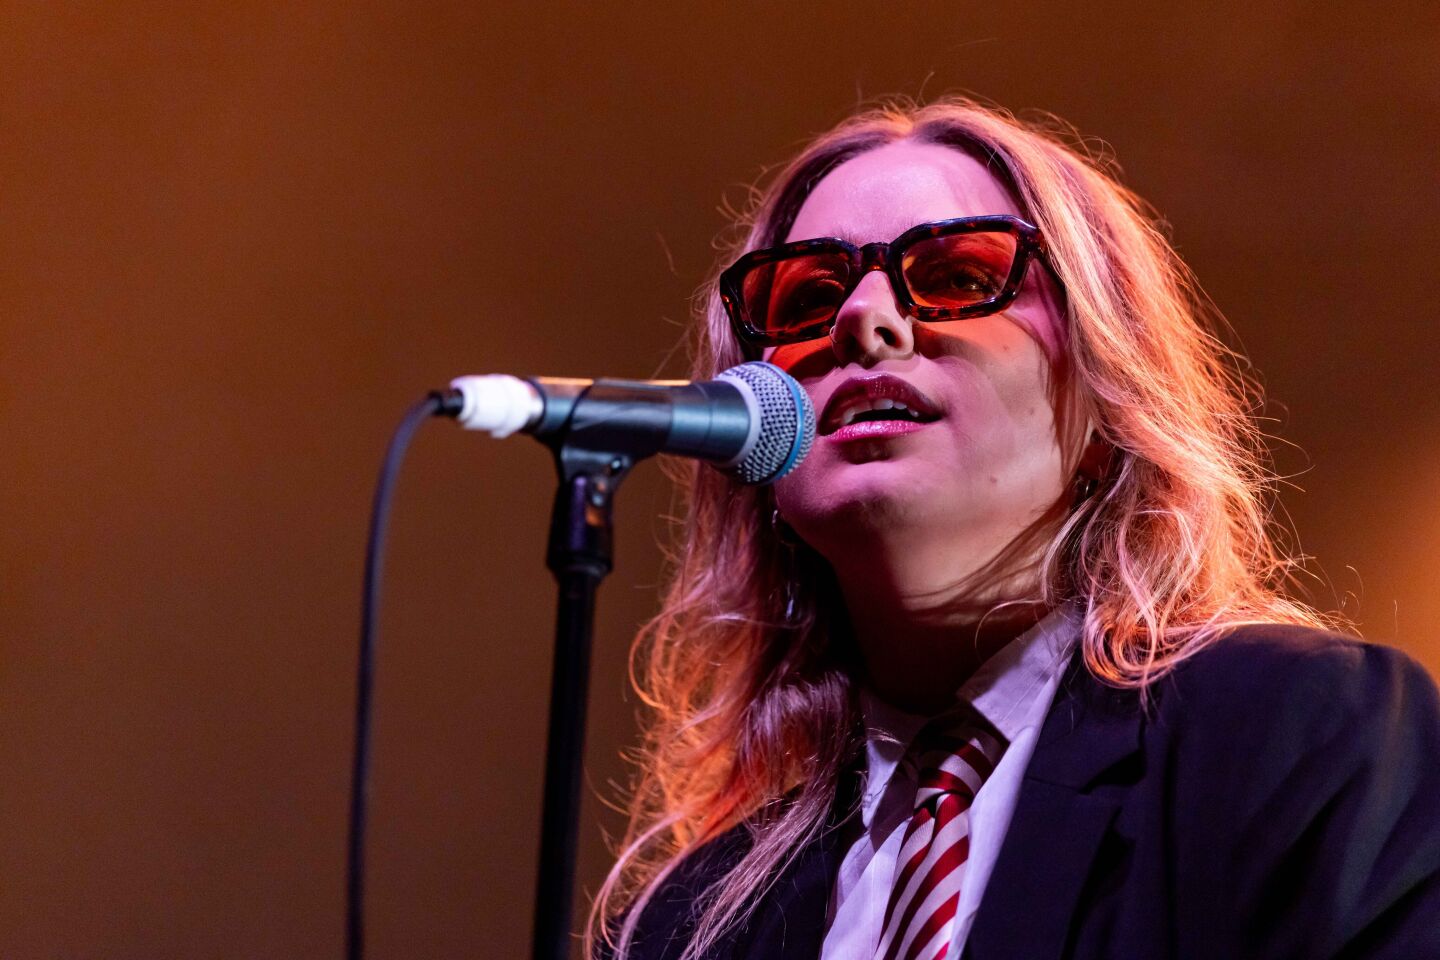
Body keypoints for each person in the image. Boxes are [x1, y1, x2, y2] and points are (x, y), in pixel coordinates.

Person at [587, 98, 1440, 960]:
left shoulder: (1294, 736)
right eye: (809, 295)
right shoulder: (687, 926)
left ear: (1109, 394)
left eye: (958, 277)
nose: (861, 320)